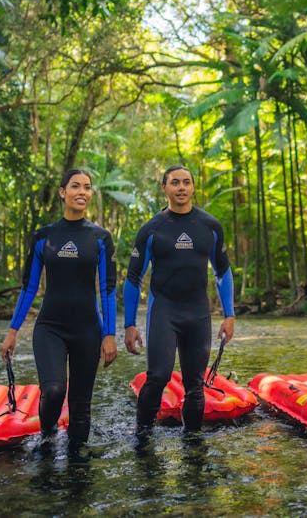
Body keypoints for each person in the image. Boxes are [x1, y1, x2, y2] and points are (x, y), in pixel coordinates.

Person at [0, 168, 118, 453]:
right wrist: (12, 331)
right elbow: (29, 287)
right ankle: (48, 438)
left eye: (87, 187)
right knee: (53, 390)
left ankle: (78, 473)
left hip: (87, 329)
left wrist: (109, 334)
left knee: (81, 407)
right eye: (75, 186)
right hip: (50, 327)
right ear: (63, 192)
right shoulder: (44, 236)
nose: (82, 192)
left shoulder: (100, 238)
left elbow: (107, 289)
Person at [123, 164, 236, 437]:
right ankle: (143, 435)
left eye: (186, 182)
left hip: (198, 313)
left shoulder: (210, 226)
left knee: (195, 384)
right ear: (165, 188)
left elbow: (222, 272)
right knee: (158, 376)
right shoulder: (152, 229)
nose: (181, 187)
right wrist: (129, 324)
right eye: (175, 182)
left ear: (193, 187)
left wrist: (229, 315)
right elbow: (133, 278)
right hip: (164, 311)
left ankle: (193, 443)